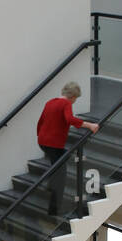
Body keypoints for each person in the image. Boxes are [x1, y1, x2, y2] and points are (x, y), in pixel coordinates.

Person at [36, 82, 98, 217]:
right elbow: (69, 119)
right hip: (54, 144)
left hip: (43, 141)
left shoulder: (50, 102)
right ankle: (54, 210)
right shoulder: (66, 104)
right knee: (61, 176)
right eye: (76, 98)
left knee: (61, 159)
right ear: (73, 96)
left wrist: (42, 137)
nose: (75, 101)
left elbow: (40, 122)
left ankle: (50, 183)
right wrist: (90, 125)